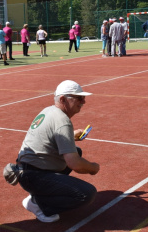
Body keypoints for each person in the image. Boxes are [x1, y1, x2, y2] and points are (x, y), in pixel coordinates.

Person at [13, 80, 99, 223]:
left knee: (76, 150)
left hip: (26, 170)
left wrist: (70, 136)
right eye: (79, 98)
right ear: (63, 99)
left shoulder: (48, 110)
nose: (84, 101)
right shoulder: (62, 120)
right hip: (33, 175)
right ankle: (40, 204)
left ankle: (40, 195)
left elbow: (47, 139)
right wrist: (93, 168)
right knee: (87, 194)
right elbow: (75, 164)